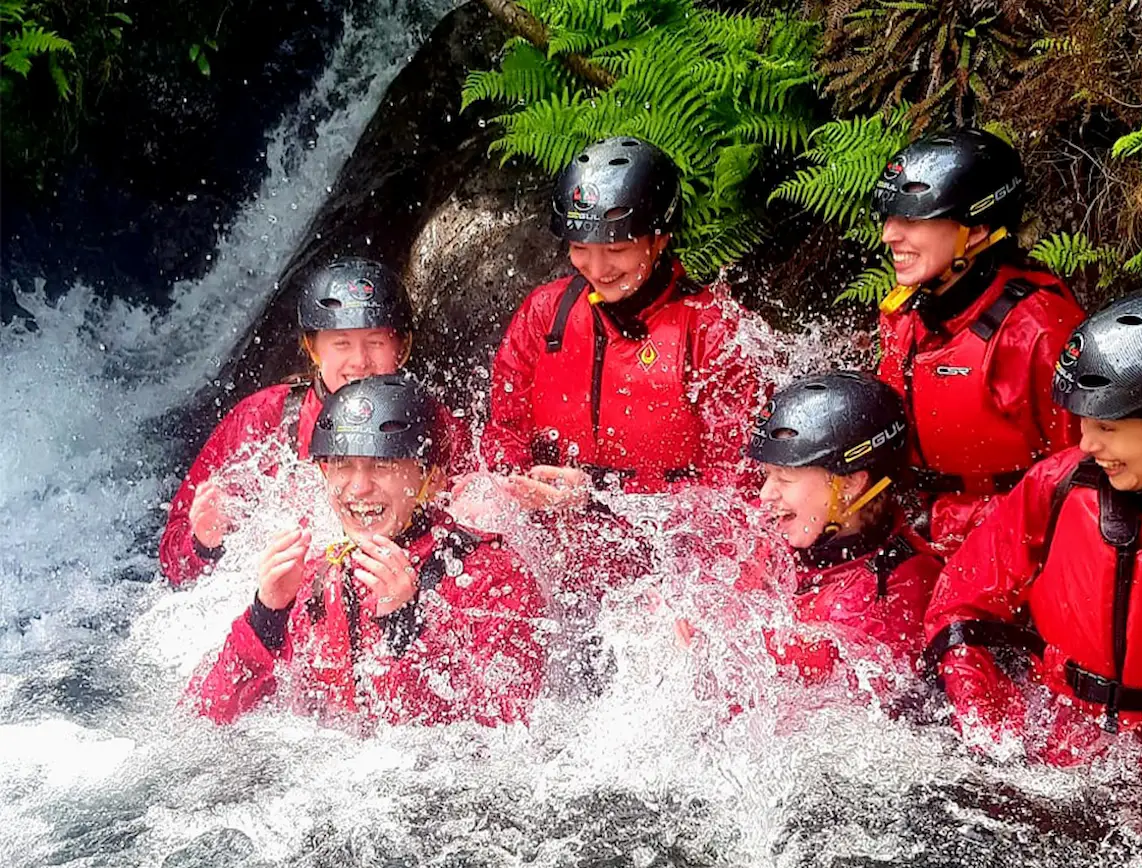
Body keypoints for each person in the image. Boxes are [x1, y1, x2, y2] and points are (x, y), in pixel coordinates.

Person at [923, 285, 1142, 842]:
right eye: (1082, 422)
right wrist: (992, 734)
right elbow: (960, 606)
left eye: (1108, 426)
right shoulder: (1057, 486)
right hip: (1059, 761)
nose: (1085, 442)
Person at [186, 374, 545, 728]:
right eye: (342, 465)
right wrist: (266, 618)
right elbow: (207, 718)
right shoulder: (317, 579)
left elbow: (503, 735)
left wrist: (404, 630)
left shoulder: (493, 577)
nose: (357, 488)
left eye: (382, 465)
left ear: (432, 479)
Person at [480, 136, 760, 509]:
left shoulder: (712, 333)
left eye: (616, 250)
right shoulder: (545, 312)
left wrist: (599, 495)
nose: (596, 270)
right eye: (580, 249)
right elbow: (504, 431)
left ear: (659, 239)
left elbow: (739, 488)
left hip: (668, 546)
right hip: (550, 531)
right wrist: (514, 485)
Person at [160, 257, 464, 586]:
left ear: (402, 348)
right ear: (313, 348)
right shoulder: (265, 417)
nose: (360, 362)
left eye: (376, 342)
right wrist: (203, 545)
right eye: (342, 343)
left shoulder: (432, 423)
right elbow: (176, 567)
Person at [871, 128, 1085, 552]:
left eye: (912, 220)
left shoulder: (1037, 331)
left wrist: (958, 524)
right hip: (920, 530)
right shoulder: (905, 315)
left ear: (978, 230)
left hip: (1008, 543)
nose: (889, 236)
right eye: (890, 218)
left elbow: (1085, 477)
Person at [743, 371, 943, 689]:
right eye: (766, 475)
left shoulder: (880, 604)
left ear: (850, 483)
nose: (766, 494)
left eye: (784, 477)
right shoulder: (790, 526)